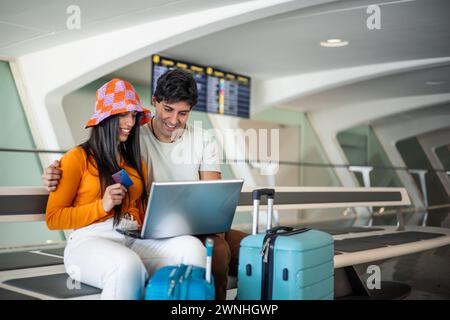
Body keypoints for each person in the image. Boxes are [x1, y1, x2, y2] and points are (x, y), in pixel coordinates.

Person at [44, 69, 248, 300]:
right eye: (122, 115)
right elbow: (54, 217)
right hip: (91, 239)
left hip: (133, 236)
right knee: (127, 266)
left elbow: (132, 197)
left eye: (132, 115)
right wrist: (100, 204)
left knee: (195, 251)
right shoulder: (77, 158)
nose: (129, 122)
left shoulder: (128, 163)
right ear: (105, 117)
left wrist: (139, 216)